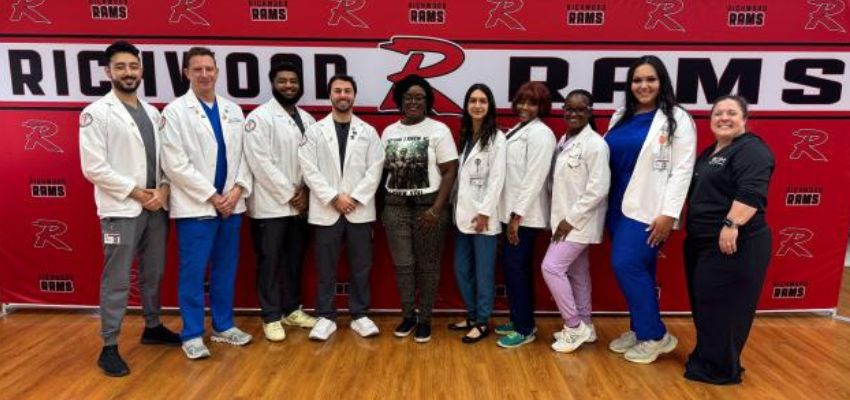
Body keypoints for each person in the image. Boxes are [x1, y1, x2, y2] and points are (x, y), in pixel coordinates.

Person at [79, 40, 180, 377]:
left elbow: (165, 161)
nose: (128, 73)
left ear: (141, 70)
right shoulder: (95, 113)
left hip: (155, 207)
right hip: (122, 208)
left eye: (133, 67)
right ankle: (109, 345)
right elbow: (94, 167)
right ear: (109, 72)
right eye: (120, 67)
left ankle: (152, 326)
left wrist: (163, 189)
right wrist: (139, 193)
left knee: (154, 272)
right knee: (118, 278)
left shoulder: (153, 113)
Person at [161, 46, 254, 360]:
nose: (204, 74)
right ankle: (191, 333)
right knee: (193, 271)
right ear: (186, 73)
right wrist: (212, 196)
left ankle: (224, 326)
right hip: (197, 207)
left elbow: (245, 156)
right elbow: (175, 164)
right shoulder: (174, 112)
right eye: (197, 69)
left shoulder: (233, 110)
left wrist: (237, 191)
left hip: (231, 205)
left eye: (209, 68)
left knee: (225, 269)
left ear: (217, 71)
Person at [604, 55, 696, 363]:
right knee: (641, 269)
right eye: (637, 80)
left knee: (626, 264)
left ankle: (655, 334)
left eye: (650, 79)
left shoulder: (677, 118)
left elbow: (683, 169)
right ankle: (639, 327)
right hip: (617, 205)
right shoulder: (621, 116)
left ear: (662, 82)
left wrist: (669, 213)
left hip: (649, 208)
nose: (643, 85)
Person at [683, 95, 774, 384]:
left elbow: (751, 192)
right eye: (718, 113)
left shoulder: (752, 150)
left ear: (745, 119)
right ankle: (709, 359)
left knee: (724, 306)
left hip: (734, 243)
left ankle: (721, 370)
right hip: (703, 241)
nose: (724, 117)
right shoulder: (710, 152)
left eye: (731, 113)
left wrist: (731, 224)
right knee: (707, 303)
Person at [298, 74, 385, 341]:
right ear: (330, 95)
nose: (343, 95)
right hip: (328, 209)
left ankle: (359, 315)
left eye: (347, 91)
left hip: (359, 210)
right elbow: (308, 168)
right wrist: (334, 197)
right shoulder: (314, 131)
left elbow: (376, 168)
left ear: (354, 95)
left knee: (361, 266)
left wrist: (355, 198)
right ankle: (325, 316)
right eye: (338, 91)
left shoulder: (368, 131)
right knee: (326, 266)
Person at [381, 74, 458, 344]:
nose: (413, 101)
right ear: (400, 100)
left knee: (428, 267)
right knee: (403, 266)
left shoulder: (439, 130)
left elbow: (450, 171)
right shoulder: (389, 132)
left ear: (427, 102)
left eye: (419, 97)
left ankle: (425, 319)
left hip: (430, 208)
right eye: (408, 97)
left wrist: (437, 209)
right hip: (396, 208)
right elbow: (383, 172)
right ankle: (407, 316)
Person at [244, 62, 317, 342]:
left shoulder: (308, 119)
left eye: (293, 81)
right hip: (271, 206)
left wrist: (307, 192)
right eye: (282, 81)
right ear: (272, 83)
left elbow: (314, 160)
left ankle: (291, 309)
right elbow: (260, 163)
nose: (289, 86)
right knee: (269, 260)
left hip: (301, 204)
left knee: (293, 260)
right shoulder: (258, 118)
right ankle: (271, 315)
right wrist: (291, 194)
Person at [542, 90, 610, 353]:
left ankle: (573, 326)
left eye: (580, 109)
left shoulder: (595, 145)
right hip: (565, 221)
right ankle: (586, 325)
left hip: (578, 223)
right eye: (569, 109)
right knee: (578, 273)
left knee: (551, 267)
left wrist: (569, 220)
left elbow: (598, 189)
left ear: (590, 110)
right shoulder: (564, 140)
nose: (573, 113)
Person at [495, 81, 557, 348]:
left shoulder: (541, 134)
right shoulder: (520, 129)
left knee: (517, 270)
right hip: (509, 213)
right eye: (521, 101)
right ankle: (519, 318)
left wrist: (517, 216)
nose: (524, 107)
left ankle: (524, 329)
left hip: (524, 218)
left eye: (531, 103)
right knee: (513, 271)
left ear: (542, 106)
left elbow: (534, 178)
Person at [449, 84, 506, 344]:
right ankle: (472, 315)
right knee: (461, 269)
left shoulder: (497, 138)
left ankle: (482, 321)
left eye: (483, 100)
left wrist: (485, 212)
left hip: (484, 218)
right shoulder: (466, 135)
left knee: (484, 273)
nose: (477, 105)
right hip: (463, 216)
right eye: (472, 100)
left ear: (490, 105)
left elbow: (497, 179)